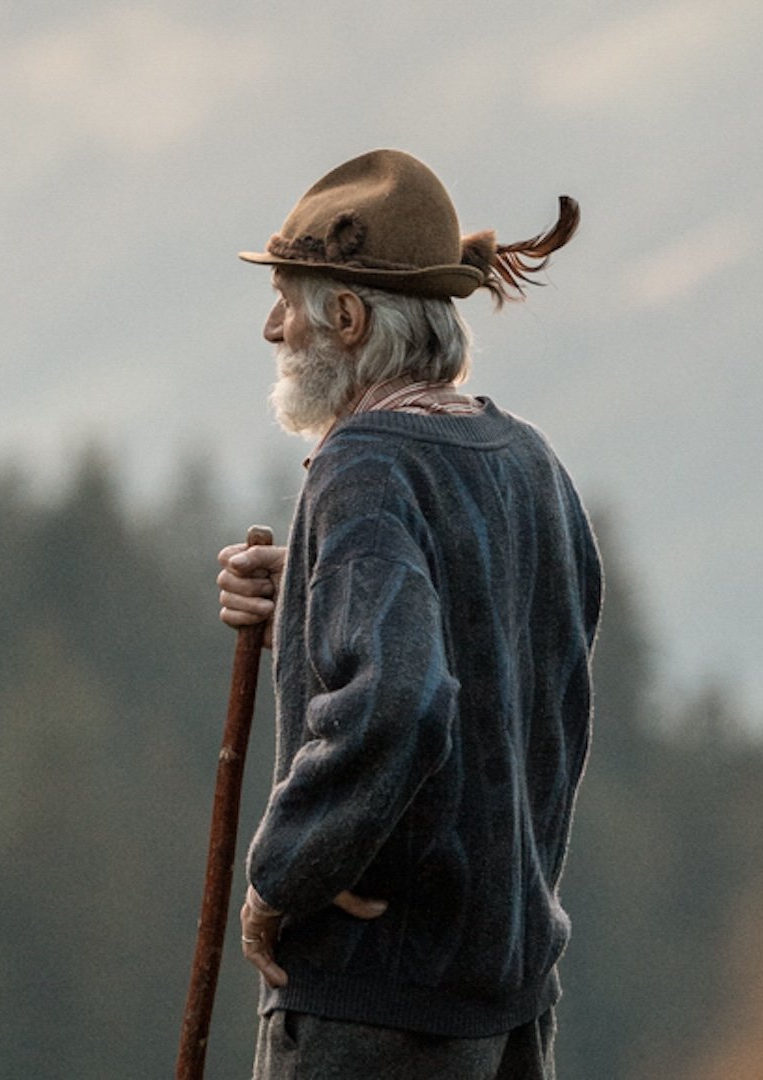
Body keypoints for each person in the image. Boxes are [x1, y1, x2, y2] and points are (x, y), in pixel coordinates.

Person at [214, 148, 600, 1079]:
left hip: (375, 1009)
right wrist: (307, 584)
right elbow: (513, 660)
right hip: (504, 1003)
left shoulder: (363, 468)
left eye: (291, 302)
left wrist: (286, 870)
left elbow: (405, 697)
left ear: (345, 318)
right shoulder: (528, 463)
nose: (272, 329)